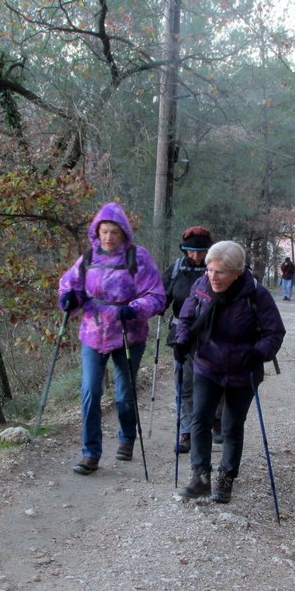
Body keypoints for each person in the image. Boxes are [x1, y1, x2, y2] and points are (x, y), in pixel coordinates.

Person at [57, 202, 165, 475]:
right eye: (104, 231)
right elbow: (71, 286)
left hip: (129, 333)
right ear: (97, 231)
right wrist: (68, 299)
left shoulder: (137, 258)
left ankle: (127, 436)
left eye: (114, 232)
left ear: (124, 233)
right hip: (93, 334)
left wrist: (134, 309)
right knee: (90, 391)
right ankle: (90, 454)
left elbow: (156, 296)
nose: (108, 237)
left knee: (124, 393)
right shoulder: (88, 258)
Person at [174, 241, 286, 503]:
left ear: (237, 272)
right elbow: (187, 317)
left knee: (231, 426)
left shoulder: (256, 295)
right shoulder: (202, 285)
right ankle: (201, 476)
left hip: (242, 370)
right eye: (210, 270)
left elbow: (274, 333)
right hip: (206, 364)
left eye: (220, 272)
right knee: (200, 418)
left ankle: (226, 478)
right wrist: (181, 340)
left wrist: (259, 353)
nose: (213, 276)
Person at [162, 225, 214, 454]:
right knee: (184, 384)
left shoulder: (218, 267)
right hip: (181, 334)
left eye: (200, 251)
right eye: (190, 251)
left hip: (213, 335)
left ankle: (213, 422)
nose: (195, 256)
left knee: (212, 382)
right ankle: (187, 432)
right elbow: (161, 297)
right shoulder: (176, 269)